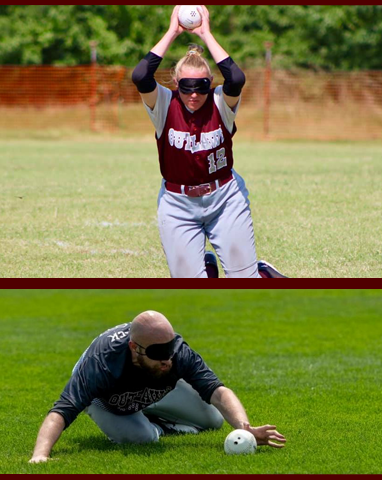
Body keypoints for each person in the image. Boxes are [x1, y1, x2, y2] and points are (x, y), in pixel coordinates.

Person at [132, 5, 284, 278]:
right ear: (176, 83)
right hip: (178, 204)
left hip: (225, 199)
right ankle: (207, 270)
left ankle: (259, 273)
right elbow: (141, 76)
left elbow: (236, 78)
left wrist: (206, 34)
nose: (193, 94)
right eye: (186, 86)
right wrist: (171, 32)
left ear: (211, 82)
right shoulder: (165, 103)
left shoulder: (219, 102)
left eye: (201, 85)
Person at [29, 311, 285, 463]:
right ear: (134, 348)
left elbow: (218, 392)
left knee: (214, 420)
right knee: (142, 438)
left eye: (170, 350)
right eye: (158, 353)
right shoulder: (102, 364)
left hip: (154, 390)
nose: (167, 360)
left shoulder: (176, 355)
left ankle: (155, 417)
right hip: (108, 401)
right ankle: (157, 428)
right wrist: (40, 455)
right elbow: (61, 411)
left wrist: (245, 428)